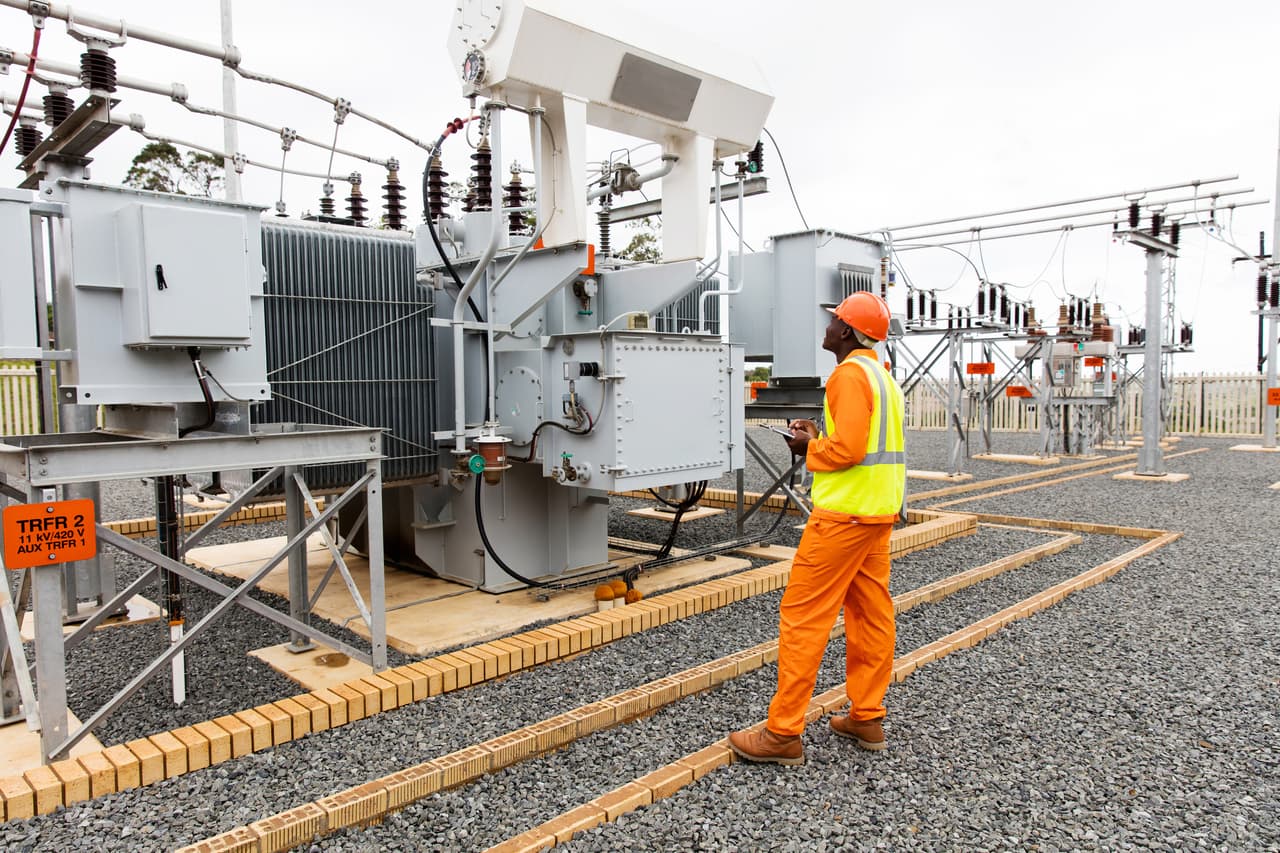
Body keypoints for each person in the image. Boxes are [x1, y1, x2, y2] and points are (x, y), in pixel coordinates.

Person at [728, 291, 906, 765]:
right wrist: (818, 438)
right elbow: (866, 446)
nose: (826, 328)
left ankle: (783, 733)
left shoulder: (848, 376)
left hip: (843, 517)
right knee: (871, 616)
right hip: (876, 515)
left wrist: (808, 449)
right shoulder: (882, 377)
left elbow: (847, 450)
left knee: (804, 617)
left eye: (833, 322)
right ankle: (867, 715)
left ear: (847, 332)